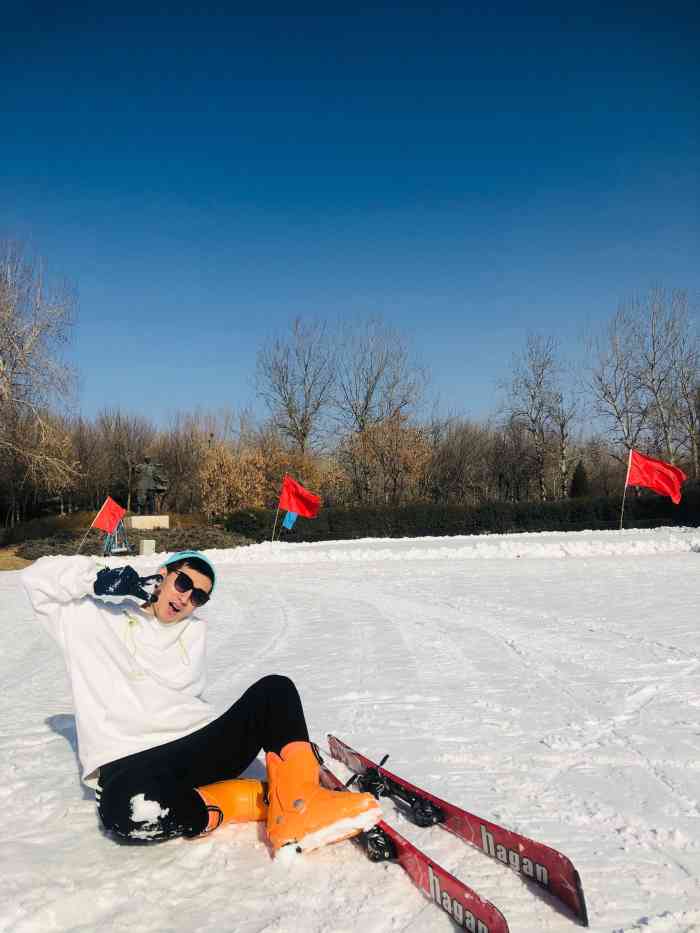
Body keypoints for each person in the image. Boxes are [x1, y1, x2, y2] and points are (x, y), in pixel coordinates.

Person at [21, 549, 380, 852]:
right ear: (161, 576)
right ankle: (252, 799)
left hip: (191, 745)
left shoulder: (192, 632)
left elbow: (180, 702)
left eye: (198, 596)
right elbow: (36, 580)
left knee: (275, 688)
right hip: (129, 760)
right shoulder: (92, 618)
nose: (185, 598)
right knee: (125, 812)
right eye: (182, 583)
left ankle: (300, 798)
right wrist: (99, 578)